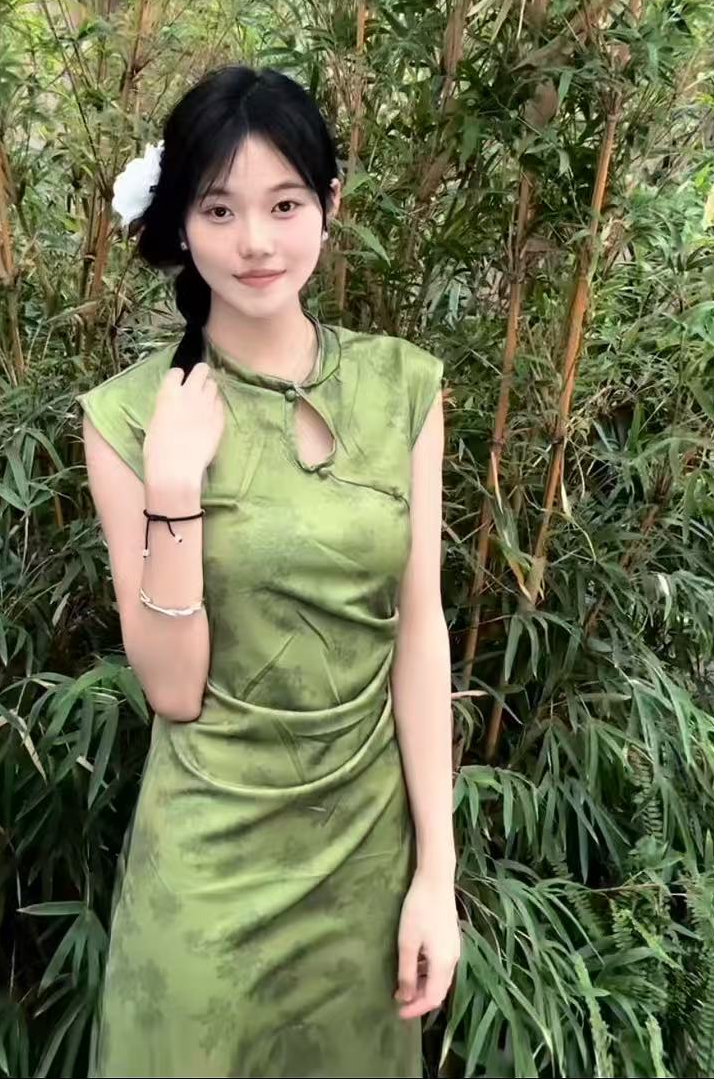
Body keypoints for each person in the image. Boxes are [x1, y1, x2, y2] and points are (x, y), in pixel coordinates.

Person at [79, 66, 460, 1078]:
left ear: (330, 205)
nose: (255, 241)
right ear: (181, 222)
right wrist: (173, 486)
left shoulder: (402, 386)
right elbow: (173, 690)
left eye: (285, 205)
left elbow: (419, 632)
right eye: (220, 209)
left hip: (366, 867)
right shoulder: (129, 418)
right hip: (208, 870)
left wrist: (437, 874)